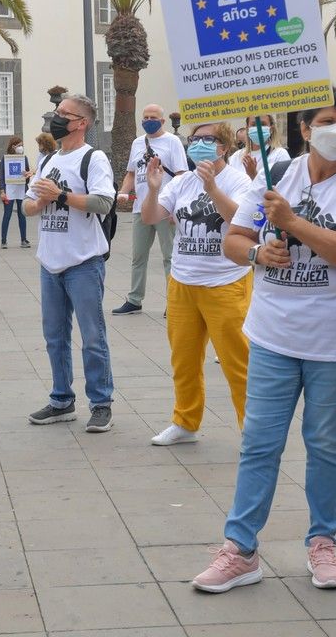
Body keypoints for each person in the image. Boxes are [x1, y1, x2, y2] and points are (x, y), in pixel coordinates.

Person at [192, 91, 336, 593]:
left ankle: (322, 542)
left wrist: (293, 223)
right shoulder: (278, 178)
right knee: (260, 443)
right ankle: (240, 548)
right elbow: (232, 241)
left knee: (325, 444)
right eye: (327, 121)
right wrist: (260, 251)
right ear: (304, 129)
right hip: (274, 335)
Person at [140, 121, 250, 445]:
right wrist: (153, 187)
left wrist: (213, 188)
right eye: (194, 139)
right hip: (183, 282)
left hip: (226, 283)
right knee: (184, 359)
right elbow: (150, 217)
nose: (198, 144)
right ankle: (185, 422)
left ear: (223, 147)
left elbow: (240, 221)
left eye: (207, 139)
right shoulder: (183, 181)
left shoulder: (238, 181)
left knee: (238, 363)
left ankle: (253, 432)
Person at [24, 94, 116, 433]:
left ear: (82, 123)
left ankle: (101, 402)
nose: (56, 117)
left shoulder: (93, 158)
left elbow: (104, 203)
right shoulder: (49, 160)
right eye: (56, 112)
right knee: (54, 336)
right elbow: (28, 206)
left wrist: (60, 196)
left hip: (83, 262)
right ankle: (61, 400)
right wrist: (38, 201)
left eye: (65, 113)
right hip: (50, 261)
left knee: (92, 336)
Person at [112, 105, 190, 316]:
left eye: (153, 117)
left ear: (162, 121)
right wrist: (123, 191)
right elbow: (130, 173)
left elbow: (182, 175)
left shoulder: (172, 142)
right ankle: (135, 299)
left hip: (165, 207)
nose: (148, 120)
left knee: (169, 257)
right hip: (141, 208)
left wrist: (178, 206)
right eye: (145, 117)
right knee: (138, 256)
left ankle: (173, 301)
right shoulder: (138, 142)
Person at [229, 115, 291, 186]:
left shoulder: (279, 154)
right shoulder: (237, 156)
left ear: (271, 129)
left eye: (263, 124)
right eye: (253, 125)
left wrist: (254, 175)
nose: (258, 128)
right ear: (247, 129)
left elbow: (283, 190)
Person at [0, 135, 32, 248]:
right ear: (13, 146)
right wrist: (2, 191)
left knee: (22, 214)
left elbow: (28, 177)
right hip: (9, 190)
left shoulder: (24, 158)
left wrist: (26, 175)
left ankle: (24, 239)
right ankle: (3, 241)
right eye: (19, 146)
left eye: (22, 146)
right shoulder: (5, 159)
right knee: (7, 214)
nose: (21, 148)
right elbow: (1, 175)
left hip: (21, 189)